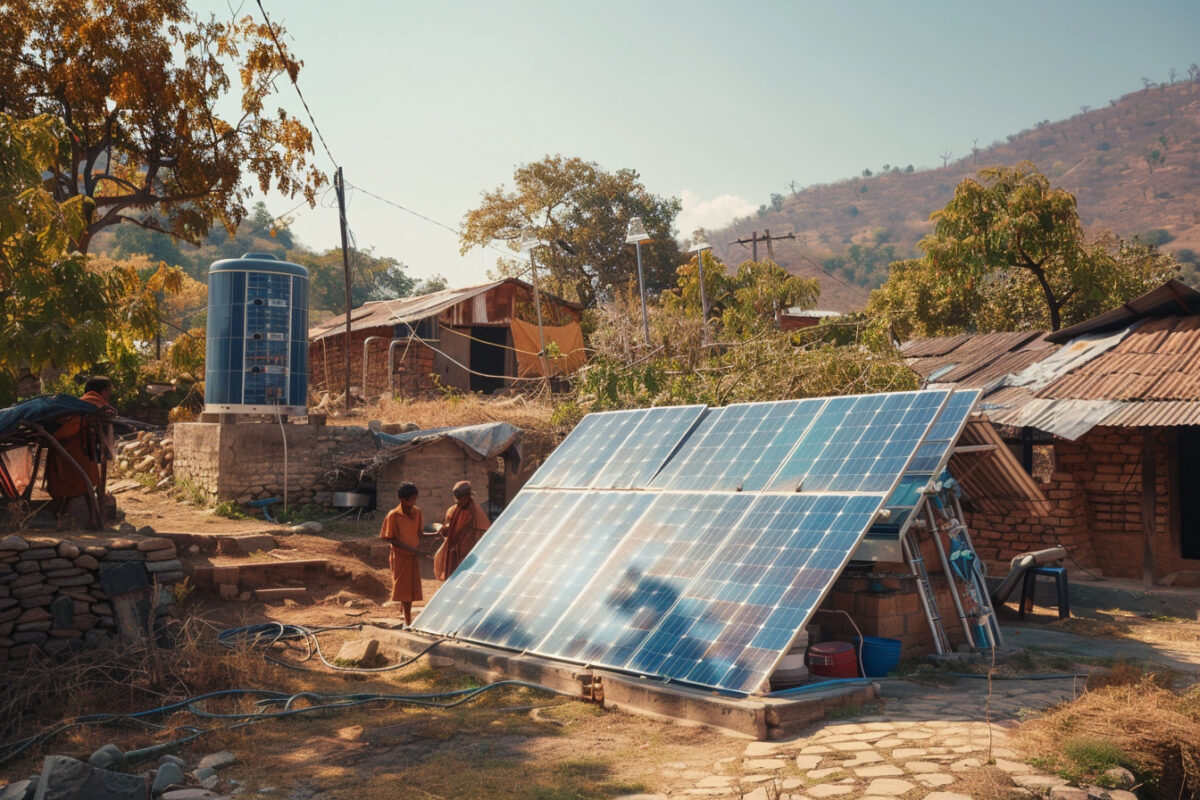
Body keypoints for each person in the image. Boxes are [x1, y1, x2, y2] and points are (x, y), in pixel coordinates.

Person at [45, 376, 115, 522]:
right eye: (109, 391)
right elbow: (108, 411)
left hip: (69, 450)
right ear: (102, 391)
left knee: (78, 485)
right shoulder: (91, 403)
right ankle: (93, 519)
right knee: (86, 482)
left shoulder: (82, 403)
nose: (109, 395)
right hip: (71, 450)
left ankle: (63, 516)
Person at [378, 482, 424, 625]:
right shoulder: (394, 515)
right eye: (411, 499)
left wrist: (436, 533)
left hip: (413, 556)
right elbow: (388, 537)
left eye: (415, 498)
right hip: (400, 555)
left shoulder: (417, 512)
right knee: (404, 589)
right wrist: (411, 549)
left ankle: (405, 614)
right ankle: (408, 620)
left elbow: (419, 533)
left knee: (411, 589)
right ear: (402, 499)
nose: (413, 502)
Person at [433, 480, 491, 581]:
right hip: (453, 555)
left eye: (461, 498)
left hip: (470, 556)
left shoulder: (477, 514)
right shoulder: (452, 511)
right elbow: (449, 528)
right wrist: (444, 529)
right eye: (457, 498)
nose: (459, 501)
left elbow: (483, 534)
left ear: (468, 496)